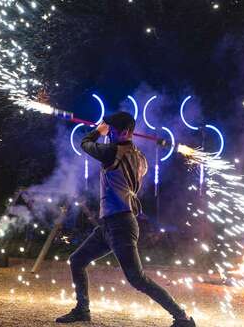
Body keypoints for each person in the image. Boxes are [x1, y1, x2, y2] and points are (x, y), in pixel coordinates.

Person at [56, 111, 195, 327]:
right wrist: (112, 132)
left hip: (120, 225)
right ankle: (82, 310)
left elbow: (85, 143)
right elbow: (122, 157)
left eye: (112, 130)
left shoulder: (113, 151)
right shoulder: (139, 157)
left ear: (126, 131)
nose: (109, 134)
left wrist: (97, 131)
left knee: (137, 279)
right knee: (77, 261)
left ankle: (182, 317)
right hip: (109, 225)